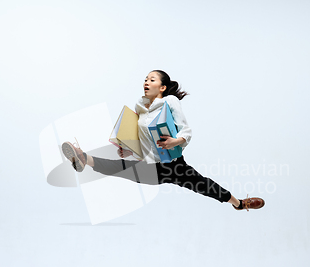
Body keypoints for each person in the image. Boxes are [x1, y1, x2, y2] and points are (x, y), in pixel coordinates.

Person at [61, 70, 265, 211]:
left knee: (204, 185)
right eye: (145, 79)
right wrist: (128, 150)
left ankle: (238, 203)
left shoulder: (170, 101)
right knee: (119, 167)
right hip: (152, 168)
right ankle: (82, 157)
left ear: (163, 87)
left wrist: (175, 142)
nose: (146, 82)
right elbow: (143, 146)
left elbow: (186, 130)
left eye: (152, 79)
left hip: (175, 165)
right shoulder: (140, 111)